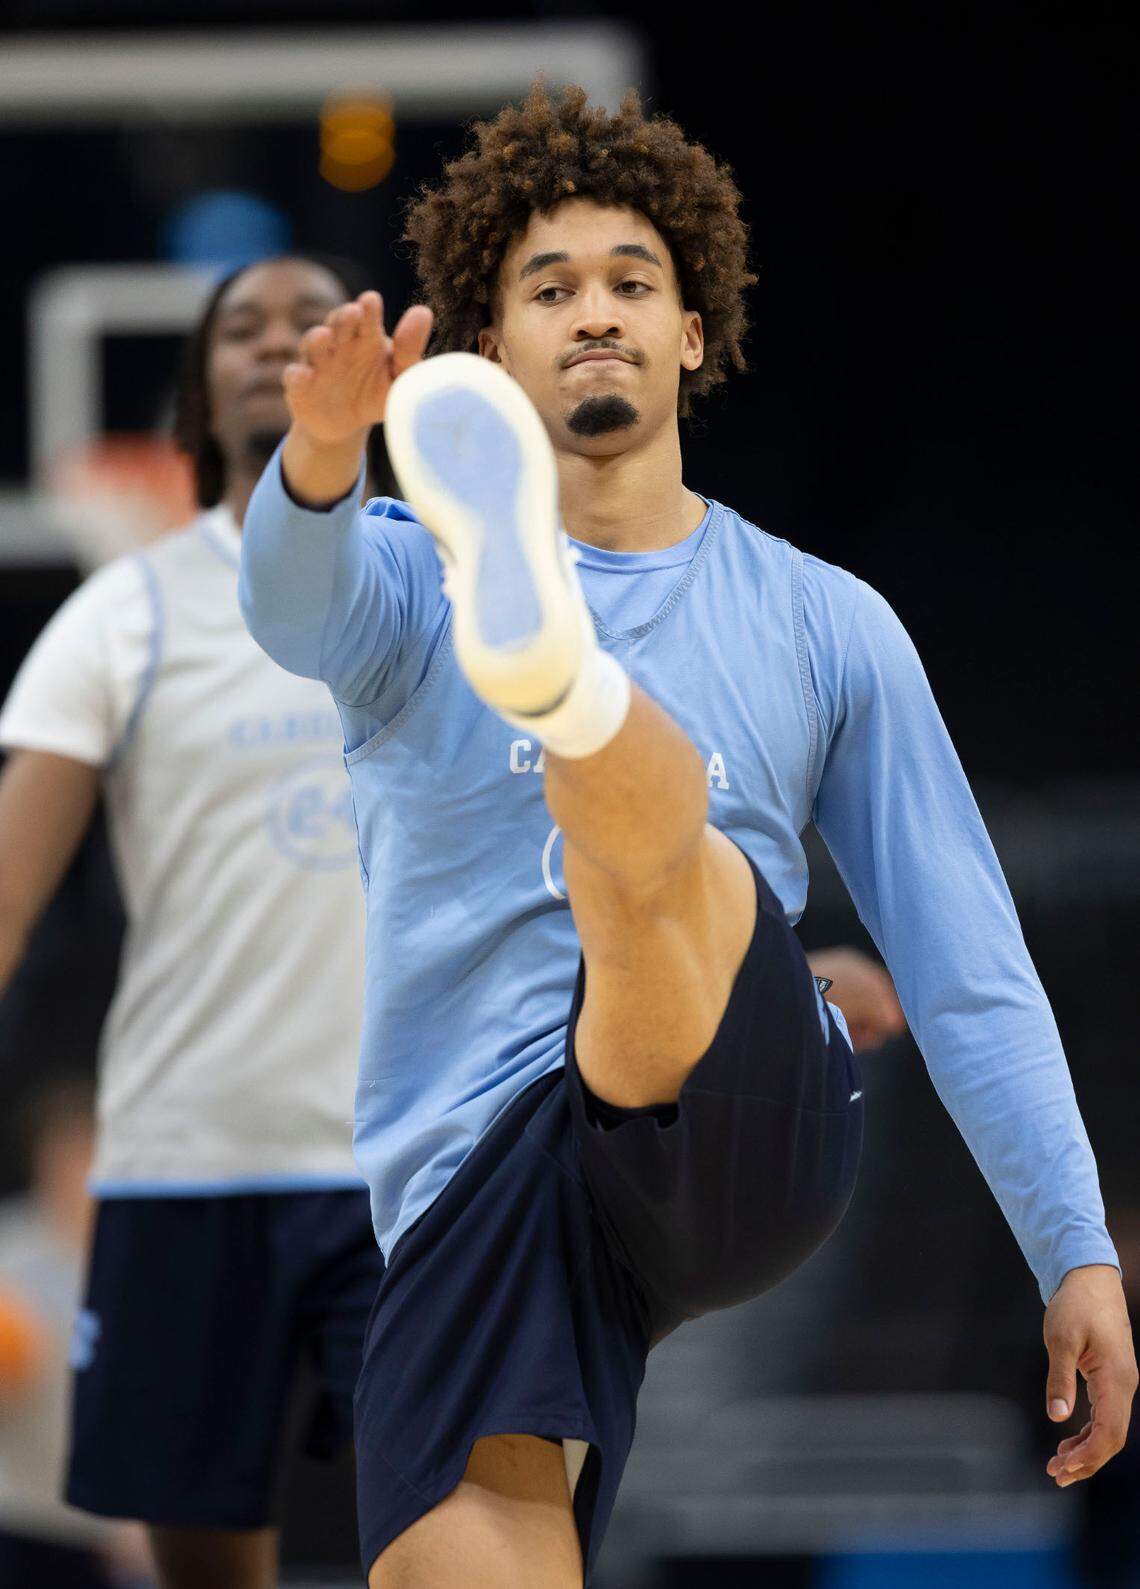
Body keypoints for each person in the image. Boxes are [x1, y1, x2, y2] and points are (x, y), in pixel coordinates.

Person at [239, 83, 1136, 1588]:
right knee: (462, 1559)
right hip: (486, 1178)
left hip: (742, 1116)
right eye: (551, 288)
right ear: (487, 357)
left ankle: (570, 686)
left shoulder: (825, 620)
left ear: (692, 334)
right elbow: (287, 605)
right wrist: (323, 458)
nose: (596, 311)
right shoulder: (397, 574)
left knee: (679, 869)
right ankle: (572, 683)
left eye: (631, 284)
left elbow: (968, 964)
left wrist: (1077, 1248)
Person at [0, 255, 390, 1589]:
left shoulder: (463, 593)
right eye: (240, 326)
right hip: (182, 1169)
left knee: (468, 1532)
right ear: (195, 395)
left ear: (379, 368)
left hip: (418, 1165)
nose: (278, 336)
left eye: (308, 314)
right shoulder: (125, 609)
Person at [0, 1080, 154, 1589]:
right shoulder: (9, 1254)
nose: (79, 1172)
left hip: (113, 1530)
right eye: (68, 1154)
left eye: (93, 1154)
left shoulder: (153, 1266)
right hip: (20, 1516)